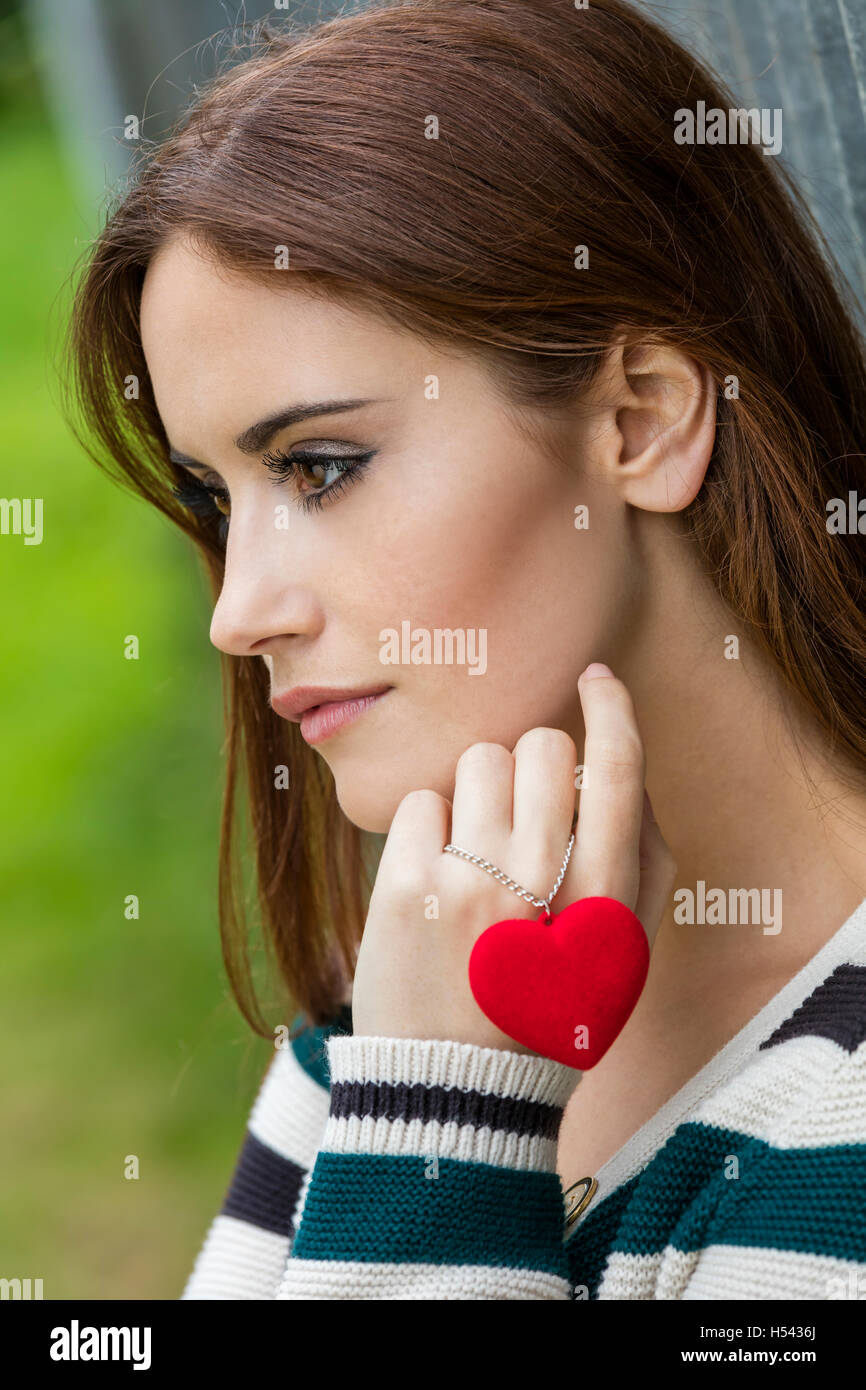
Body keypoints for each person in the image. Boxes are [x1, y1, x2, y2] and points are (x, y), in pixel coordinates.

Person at [64, 0, 866, 1299]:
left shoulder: (835, 1120)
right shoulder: (404, 1005)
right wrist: (429, 1084)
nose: (237, 610)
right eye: (217, 501)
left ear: (641, 422)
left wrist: (437, 1141)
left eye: (320, 467)